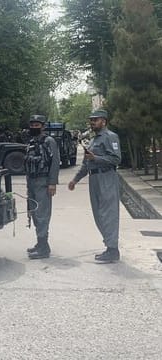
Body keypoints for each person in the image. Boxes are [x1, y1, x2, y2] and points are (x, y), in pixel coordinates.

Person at [68, 109, 121, 263]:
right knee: (98, 214)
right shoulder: (93, 140)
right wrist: (75, 180)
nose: (92, 122)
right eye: (91, 120)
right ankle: (109, 246)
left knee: (108, 214)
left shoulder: (110, 137)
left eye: (95, 120)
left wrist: (95, 157)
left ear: (103, 121)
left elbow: (116, 159)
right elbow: (86, 163)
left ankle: (113, 250)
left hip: (107, 177)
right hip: (94, 179)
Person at [25, 115, 60, 259]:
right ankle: (40, 243)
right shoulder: (31, 142)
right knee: (34, 212)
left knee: (42, 214)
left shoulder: (49, 141)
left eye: (37, 125)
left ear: (43, 126)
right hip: (32, 182)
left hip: (43, 181)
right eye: (32, 124)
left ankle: (44, 247)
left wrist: (52, 183)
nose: (34, 127)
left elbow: (55, 162)